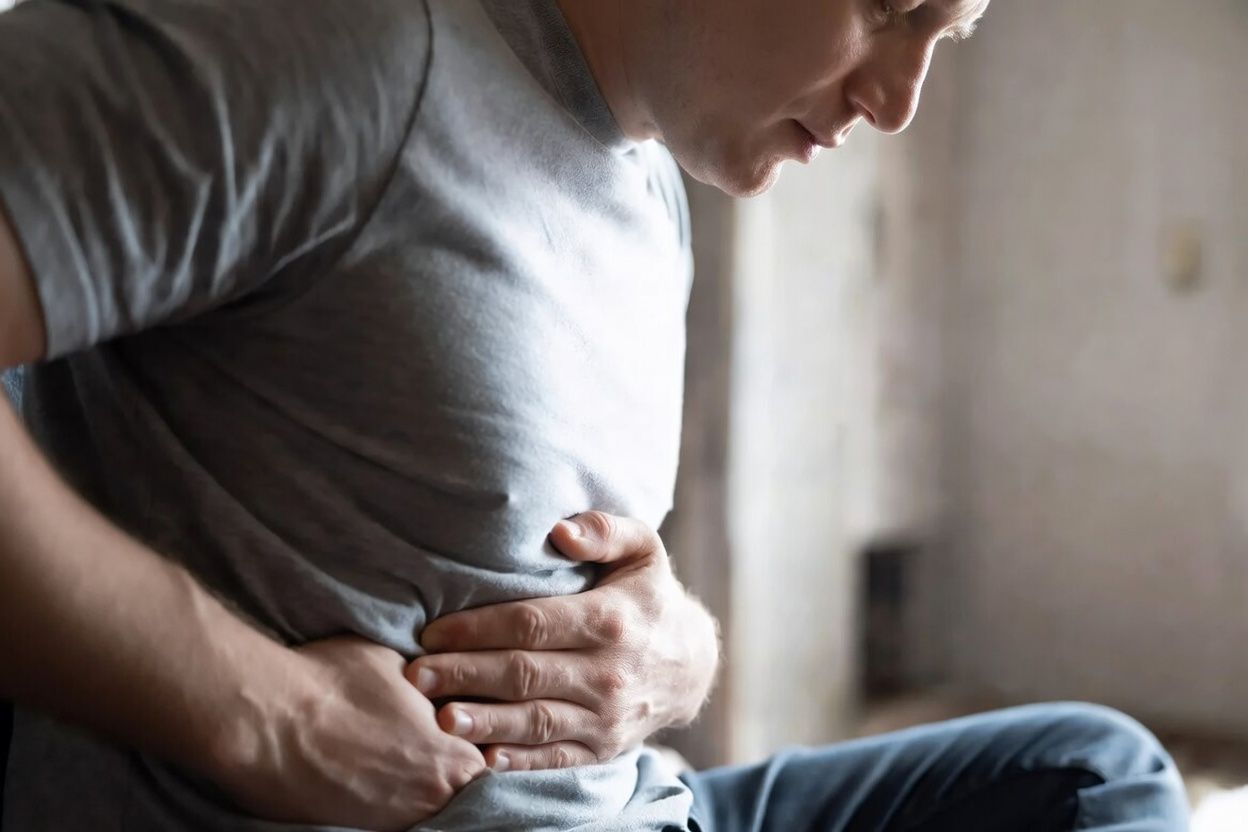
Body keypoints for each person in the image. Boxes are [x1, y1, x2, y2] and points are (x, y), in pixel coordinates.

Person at [0, 0, 1189, 830]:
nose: (899, 101)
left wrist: (680, 656)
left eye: (945, 37)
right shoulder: (331, 46)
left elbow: (543, 546)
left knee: (1096, 774)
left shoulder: (648, 184)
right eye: (891, 7)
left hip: (641, 803)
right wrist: (260, 715)